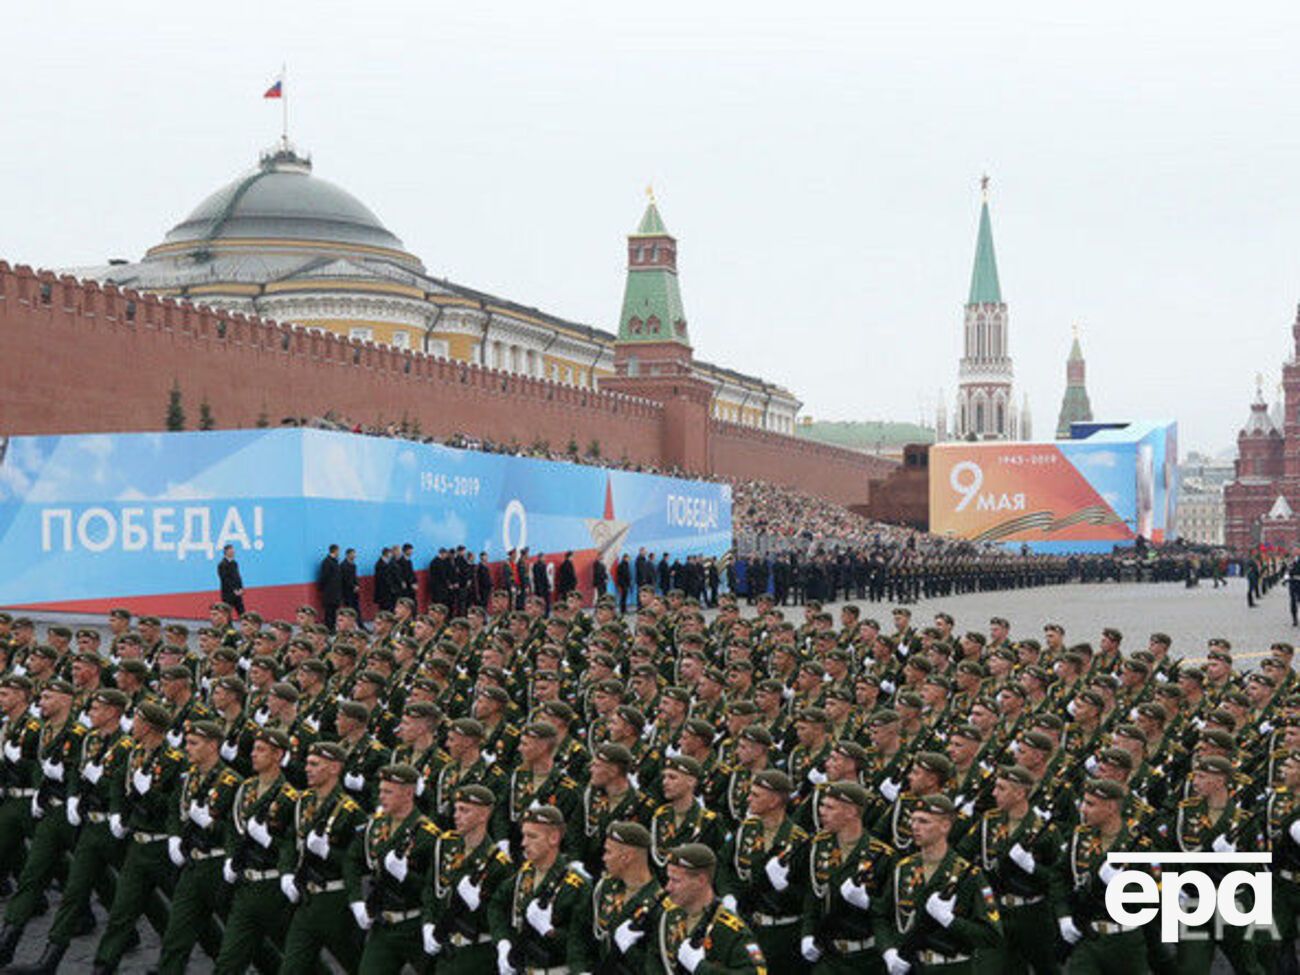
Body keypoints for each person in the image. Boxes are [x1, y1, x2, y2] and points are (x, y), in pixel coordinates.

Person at [346, 763, 441, 973]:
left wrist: (406, 876)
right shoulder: (376, 826)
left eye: (388, 791)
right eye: (380, 790)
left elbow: (433, 888)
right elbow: (352, 859)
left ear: (408, 793)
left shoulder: (427, 834)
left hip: (413, 924)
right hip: (383, 924)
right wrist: (356, 901)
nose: (381, 797)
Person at [421, 784, 514, 973]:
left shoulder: (498, 863)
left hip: (477, 955)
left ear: (484, 814)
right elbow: (431, 889)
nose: (456, 815)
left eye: (464, 810)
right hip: (445, 950)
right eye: (456, 809)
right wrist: (428, 923)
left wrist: (478, 907)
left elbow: (503, 918)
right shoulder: (446, 844)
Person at [648, 843, 766, 975]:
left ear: (701, 881)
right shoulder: (669, 917)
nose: (668, 888)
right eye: (669, 879)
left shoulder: (728, 929)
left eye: (676, 881)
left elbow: (757, 973)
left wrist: (701, 968)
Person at [318, 544, 343, 631]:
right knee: (329, 612)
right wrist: (324, 589)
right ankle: (329, 629)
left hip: (335, 592)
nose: (339, 553)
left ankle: (332, 628)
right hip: (329, 592)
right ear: (335, 551)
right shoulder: (327, 562)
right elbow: (324, 577)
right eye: (338, 551)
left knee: (334, 612)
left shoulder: (335, 562)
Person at [218, 544, 245, 617]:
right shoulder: (222, 564)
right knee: (227, 614)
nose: (233, 552)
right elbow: (225, 579)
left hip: (237, 593)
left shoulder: (234, 563)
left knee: (242, 612)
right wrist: (234, 590)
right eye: (231, 551)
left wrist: (241, 588)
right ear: (226, 552)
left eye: (233, 551)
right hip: (228, 594)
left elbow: (238, 577)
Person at [341, 547, 362, 623]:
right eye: (353, 554)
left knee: (357, 609)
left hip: (354, 592)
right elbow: (346, 579)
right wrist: (353, 586)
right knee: (348, 610)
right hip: (347, 592)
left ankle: (360, 624)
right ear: (348, 555)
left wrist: (357, 586)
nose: (355, 556)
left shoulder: (353, 565)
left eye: (355, 554)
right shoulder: (343, 565)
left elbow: (354, 577)